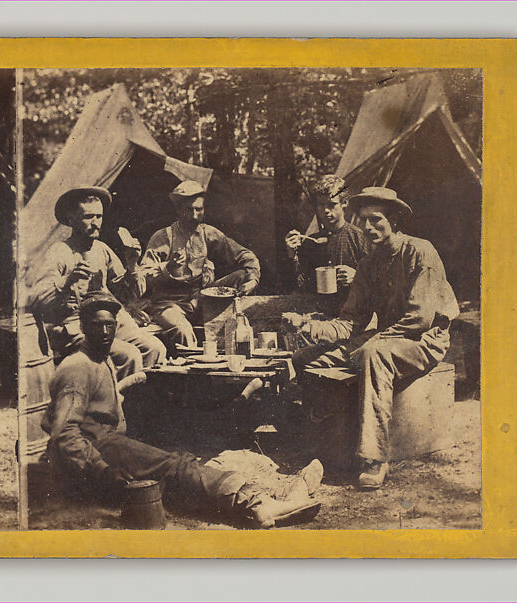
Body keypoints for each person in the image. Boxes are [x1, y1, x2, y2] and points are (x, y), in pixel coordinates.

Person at [43, 291, 323, 529]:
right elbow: (65, 434)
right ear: (82, 326)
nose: (104, 332)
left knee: (178, 459)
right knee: (172, 466)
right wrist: (102, 471)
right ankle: (255, 504)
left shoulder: (99, 358)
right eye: (96, 325)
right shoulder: (77, 368)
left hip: (104, 443)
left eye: (110, 325)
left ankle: (277, 491)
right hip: (94, 453)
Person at [287, 187, 459, 490]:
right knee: (307, 357)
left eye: (376, 219)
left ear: (394, 220)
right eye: (363, 219)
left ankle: (374, 458)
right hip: (388, 338)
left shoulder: (420, 251)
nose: (367, 227)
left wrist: (368, 344)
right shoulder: (369, 264)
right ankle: (318, 440)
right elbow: (352, 320)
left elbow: (420, 318)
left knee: (371, 354)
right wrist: (310, 327)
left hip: (424, 340)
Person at [27, 186, 165, 377]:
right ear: (71, 220)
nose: (95, 223)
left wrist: (132, 265)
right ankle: (111, 402)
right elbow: (36, 301)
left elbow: (128, 296)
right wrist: (67, 282)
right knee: (129, 356)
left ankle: (135, 401)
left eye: (99, 217)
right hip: (78, 329)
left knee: (155, 348)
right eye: (88, 217)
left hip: (111, 323)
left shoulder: (102, 249)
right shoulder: (59, 252)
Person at [141, 181, 261, 348]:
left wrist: (253, 279)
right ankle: (193, 368)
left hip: (199, 300)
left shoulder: (207, 233)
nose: (195, 215)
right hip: (169, 305)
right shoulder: (162, 237)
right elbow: (142, 277)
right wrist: (167, 268)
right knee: (183, 330)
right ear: (178, 209)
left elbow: (244, 255)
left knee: (241, 276)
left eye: (199, 210)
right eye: (189, 210)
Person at [284, 175, 373, 293]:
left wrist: (356, 277)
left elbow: (377, 280)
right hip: (317, 308)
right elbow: (300, 282)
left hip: (350, 308)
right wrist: (292, 254)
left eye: (331, 204)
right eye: (321, 204)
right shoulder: (312, 241)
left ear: (344, 203)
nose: (326, 210)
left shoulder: (359, 238)